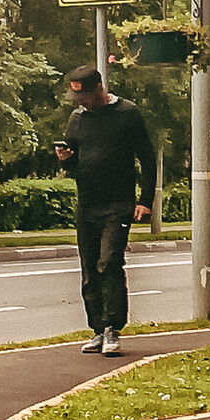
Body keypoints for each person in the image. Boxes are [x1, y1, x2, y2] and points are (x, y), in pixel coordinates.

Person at [56, 66, 156, 356]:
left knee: (109, 261)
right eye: (76, 96)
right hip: (87, 202)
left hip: (118, 203)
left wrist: (145, 200)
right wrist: (64, 159)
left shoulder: (128, 114)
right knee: (89, 268)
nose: (80, 102)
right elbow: (74, 163)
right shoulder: (77, 119)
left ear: (99, 88)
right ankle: (97, 329)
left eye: (84, 95)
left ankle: (113, 328)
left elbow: (147, 159)